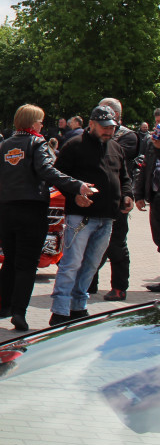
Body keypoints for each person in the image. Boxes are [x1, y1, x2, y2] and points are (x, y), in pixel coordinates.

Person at [0, 104, 90, 331]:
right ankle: (19, 312)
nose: (42, 125)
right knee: (26, 264)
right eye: (39, 120)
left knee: (10, 258)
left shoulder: (2, 145)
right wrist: (77, 186)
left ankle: (4, 306)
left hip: (5, 208)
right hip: (31, 209)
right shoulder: (37, 143)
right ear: (30, 122)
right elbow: (47, 171)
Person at [48, 105, 132, 325]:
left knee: (91, 265)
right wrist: (74, 193)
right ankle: (60, 310)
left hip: (107, 217)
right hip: (80, 217)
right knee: (71, 263)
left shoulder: (116, 147)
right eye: (104, 127)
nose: (108, 131)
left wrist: (127, 195)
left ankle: (78, 306)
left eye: (112, 127)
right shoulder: (74, 146)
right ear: (92, 124)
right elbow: (58, 176)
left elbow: (124, 177)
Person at [89, 97, 142, 301]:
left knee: (116, 245)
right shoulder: (91, 137)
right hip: (95, 197)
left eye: (107, 112)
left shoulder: (128, 136)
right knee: (92, 244)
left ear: (117, 115)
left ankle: (119, 287)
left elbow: (107, 156)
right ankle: (89, 283)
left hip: (118, 198)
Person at [133, 124, 160, 293]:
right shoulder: (151, 147)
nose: (155, 143)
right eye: (154, 140)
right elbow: (144, 171)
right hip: (156, 199)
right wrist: (139, 195)